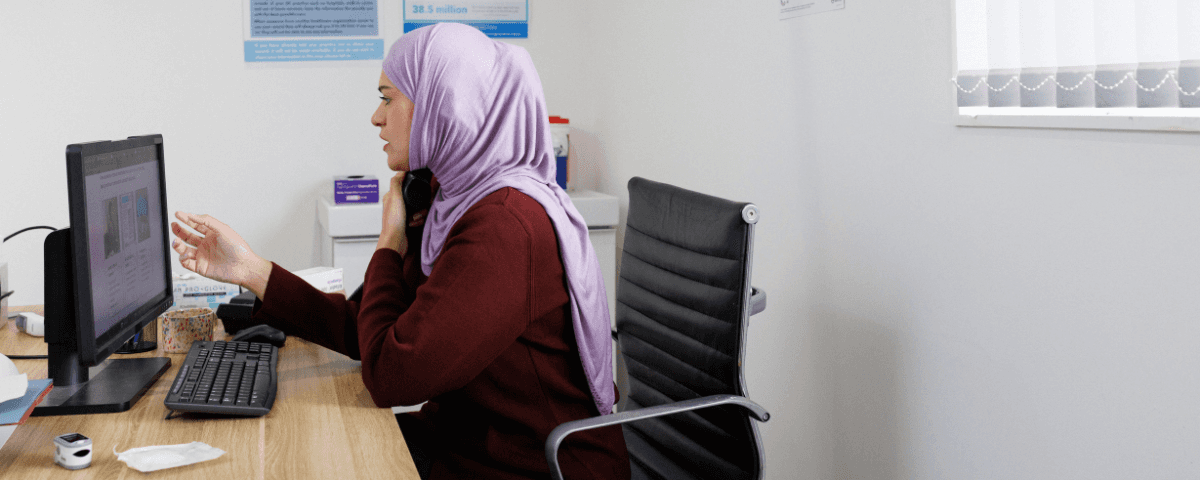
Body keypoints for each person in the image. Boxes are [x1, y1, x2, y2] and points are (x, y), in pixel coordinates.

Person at [169, 23, 629, 480]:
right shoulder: (452, 198)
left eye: (388, 98)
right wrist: (251, 269)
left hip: (530, 466)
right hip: (465, 442)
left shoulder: (505, 225)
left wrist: (389, 242)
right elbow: (368, 330)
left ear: (443, 106)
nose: (376, 116)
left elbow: (393, 374)